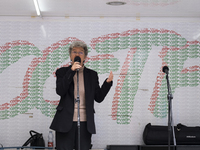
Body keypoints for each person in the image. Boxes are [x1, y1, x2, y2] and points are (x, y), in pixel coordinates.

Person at [50, 41, 113, 150]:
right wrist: (71, 71)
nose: (77, 54)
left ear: (85, 57)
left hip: (85, 123)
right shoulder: (62, 72)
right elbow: (60, 91)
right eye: (74, 52)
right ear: (70, 55)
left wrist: (107, 83)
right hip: (64, 122)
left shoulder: (92, 75)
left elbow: (98, 97)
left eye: (81, 52)